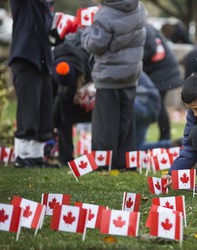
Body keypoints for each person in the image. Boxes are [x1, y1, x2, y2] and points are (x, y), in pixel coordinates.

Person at [81, 0, 147, 170]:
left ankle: (103, 163)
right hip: (130, 74)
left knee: (105, 124)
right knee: (126, 122)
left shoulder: (105, 14)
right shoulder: (138, 7)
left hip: (108, 75)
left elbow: (96, 44)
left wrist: (86, 31)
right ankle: (125, 163)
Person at [9, 0, 59, 168]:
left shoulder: (46, 5)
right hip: (26, 57)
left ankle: (36, 156)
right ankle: (22, 156)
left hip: (43, 61)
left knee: (45, 112)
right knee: (28, 110)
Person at [52, 29, 92, 165]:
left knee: (100, 118)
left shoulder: (87, 59)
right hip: (67, 95)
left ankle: (100, 157)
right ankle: (65, 158)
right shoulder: (54, 61)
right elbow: (54, 97)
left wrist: (88, 91)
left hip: (91, 90)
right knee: (63, 118)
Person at [143, 23, 182, 141]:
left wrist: (136, 61)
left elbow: (150, 49)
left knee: (157, 105)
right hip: (161, 72)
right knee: (158, 105)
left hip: (163, 73)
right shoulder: (147, 28)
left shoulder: (145, 28)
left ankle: (165, 137)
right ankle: (165, 137)